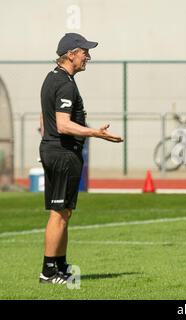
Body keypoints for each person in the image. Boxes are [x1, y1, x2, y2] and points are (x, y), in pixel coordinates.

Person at [39, 33, 123, 284]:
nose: (88, 56)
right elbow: (63, 125)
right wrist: (96, 133)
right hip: (62, 153)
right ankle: (49, 271)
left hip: (56, 151)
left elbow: (46, 120)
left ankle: (60, 264)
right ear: (71, 53)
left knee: (64, 211)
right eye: (84, 51)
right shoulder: (64, 83)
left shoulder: (53, 78)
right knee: (59, 213)